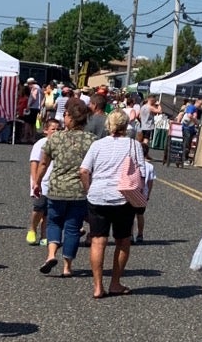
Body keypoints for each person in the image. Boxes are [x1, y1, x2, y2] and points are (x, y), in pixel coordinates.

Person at [80, 107, 145, 297]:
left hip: (98, 195)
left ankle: (97, 286)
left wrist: (88, 189)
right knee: (123, 241)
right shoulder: (134, 145)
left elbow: (84, 170)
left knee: (98, 241)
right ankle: (115, 283)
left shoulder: (97, 145)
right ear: (126, 125)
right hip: (123, 197)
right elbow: (141, 171)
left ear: (109, 125)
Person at [38, 98, 94, 277]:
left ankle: (51, 254)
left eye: (66, 115)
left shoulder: (56, 138)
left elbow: (44, 163)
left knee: (54, 222)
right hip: (79, 190)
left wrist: (37, 182)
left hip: (57, 188)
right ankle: (67, 266)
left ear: (70, 117)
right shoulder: (92, 140)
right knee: (72, 227)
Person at [27, 115, 57, 244]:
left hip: (53, 181)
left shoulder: (59, 144)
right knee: (38, 207)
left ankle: (44, 235)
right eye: (53, 129)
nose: (56, 132)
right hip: (41, 181)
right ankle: (32, 229)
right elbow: (34, 162)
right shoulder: (40, 144)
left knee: (49, 211)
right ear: (46, 130)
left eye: (58, 129)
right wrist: (35, 181)